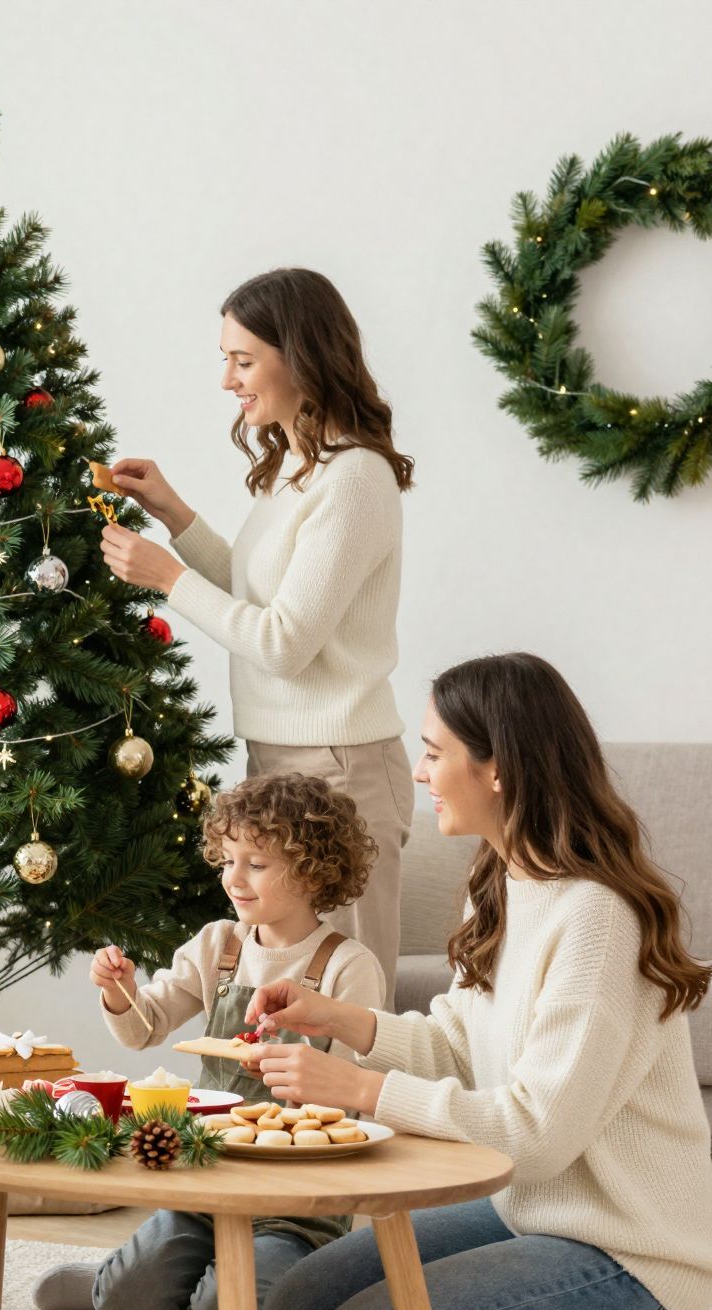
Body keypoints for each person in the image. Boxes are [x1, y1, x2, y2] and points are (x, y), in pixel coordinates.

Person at [244, 654, 712, 1310]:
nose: (420, 771)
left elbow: (537, 1133)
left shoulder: (597, 920)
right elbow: (463, 1047)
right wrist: (340, 1020)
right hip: (529, 1207)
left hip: (624, 1245)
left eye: (435, 753)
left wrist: (365, 1091)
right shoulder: (503, 883)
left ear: (496, 767)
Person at [100, 267, 418, 1001]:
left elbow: (283, 641)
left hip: (340, 766)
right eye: (226, 359)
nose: (226, 380)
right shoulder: (297, 469)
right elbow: (258, 589)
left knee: (344, 1000)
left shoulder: (355, 479)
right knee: (270, 993)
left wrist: (166, 580)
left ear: (300, 356)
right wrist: (174, 516)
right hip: (275, 760)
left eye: (242, 360)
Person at [32, 774, 386, 1310]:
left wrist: (286, 1065)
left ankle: (241, 1279)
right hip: (206, 1179)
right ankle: (121, 1276)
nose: (233, 879)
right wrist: (118, 987)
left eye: (256, 864)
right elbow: (143, 1029)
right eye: (226, 860)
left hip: (295, 1204)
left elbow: (353, 1093)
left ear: (313, 869)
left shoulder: (347, 965)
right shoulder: (218, 945)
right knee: (125, 1307)